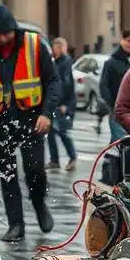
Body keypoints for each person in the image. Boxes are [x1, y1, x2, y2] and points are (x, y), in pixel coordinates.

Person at [0, 3, 60, 242]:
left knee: (35, 170)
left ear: (14, 30)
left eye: (6, 34)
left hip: (32, 119)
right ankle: (16, 225)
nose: (2, 39)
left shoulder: (34, 44)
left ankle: (39, 204)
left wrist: (46, 114)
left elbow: (52, 81)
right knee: (7, 175)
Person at [98, 28, 130, 141]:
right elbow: (103, 86)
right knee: (122, 143)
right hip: (119, 112)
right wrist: (114, 106)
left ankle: (111, 157)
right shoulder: (111, 62)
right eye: (128, 40)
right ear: (121, 40)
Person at [46, 37, 77, 171]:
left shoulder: (65, 63)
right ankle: (54, 160)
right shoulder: (55, 62)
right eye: (54, 47)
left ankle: (72, 157)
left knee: (62, 132)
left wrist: (67, 105)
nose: (55, 50)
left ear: (62, 48)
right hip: (54, 103)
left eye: (57, 47)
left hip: (62, 105)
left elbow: (68, 86)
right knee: (51, 132)